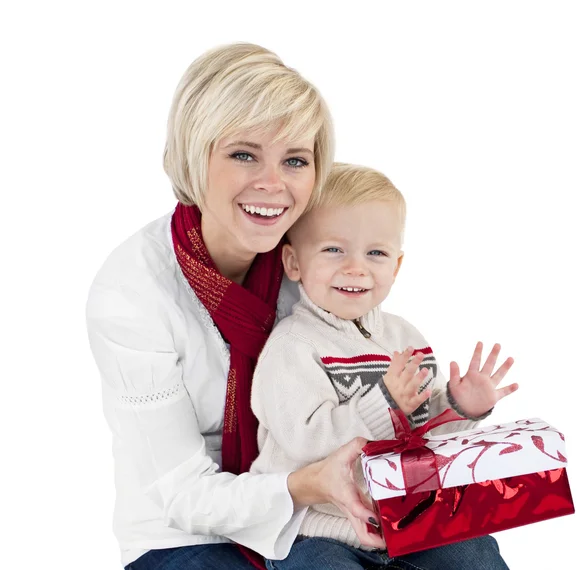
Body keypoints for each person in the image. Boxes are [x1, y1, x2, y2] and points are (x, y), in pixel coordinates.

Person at [86, 44, 386, 570]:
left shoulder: (313, 262)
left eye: (295, 160)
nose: (273, 184)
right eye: (244, 154)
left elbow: (369, 373)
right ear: (194, 154)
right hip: (182, 533)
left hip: (314, 513)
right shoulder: (131, 294)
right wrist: (303, 484)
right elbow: (182, 493)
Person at [250, 163, 519, 569]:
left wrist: (460, 406)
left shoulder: (405, 337)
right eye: (333, 249)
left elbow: (428, 439)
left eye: (375, 253)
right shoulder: (293, 346)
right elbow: (304, 441)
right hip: (318, 531)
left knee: (476, 554)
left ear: (395, 266)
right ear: (293, 262)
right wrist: (385, 403)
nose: (355, 267)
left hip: (408, 521)